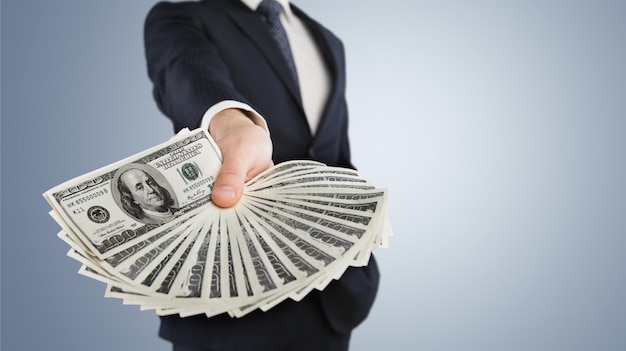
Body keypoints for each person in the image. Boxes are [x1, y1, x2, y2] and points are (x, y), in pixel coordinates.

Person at [144, 0, 380, 350]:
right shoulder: (182, 16)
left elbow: (335, 157)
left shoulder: (328, 42)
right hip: (231, 297)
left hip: (332, 293)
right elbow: (187, 73)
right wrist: (232, 121)